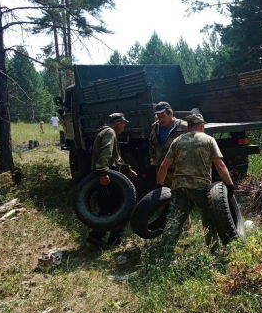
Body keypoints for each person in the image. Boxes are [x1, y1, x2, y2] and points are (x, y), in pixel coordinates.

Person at [154, 113, 234, 261]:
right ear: (201, 125)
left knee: (174, 222)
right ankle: (214, 254)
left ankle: (164, 258)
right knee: (209, 220)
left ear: (188, 126)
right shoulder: (208, 139)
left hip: (179, 187)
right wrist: (230, 184)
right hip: (200, 187)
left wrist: (159, 185)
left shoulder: (178, 140)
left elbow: (164, 165)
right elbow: (220, 165)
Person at [86, 112, 138, 249]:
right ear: (118, 123)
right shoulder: (110, 133)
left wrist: (127, 169)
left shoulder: (104, 131)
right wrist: (103, 173)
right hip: (109, 178)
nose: (124, 127)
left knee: (105, 208)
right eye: (123, 124)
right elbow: (106, 154)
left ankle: (96, 237)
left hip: (107, 176)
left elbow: (116, 158)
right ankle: (114, 240)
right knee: (120, 208)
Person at [148, 101, 187, 187]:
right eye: (158, 116)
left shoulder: (183, 127)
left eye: (163, 116)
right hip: (161, 171)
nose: (160, 119)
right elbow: (152, 146)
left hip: (178, 172)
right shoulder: (155, 127)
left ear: (171, 113)